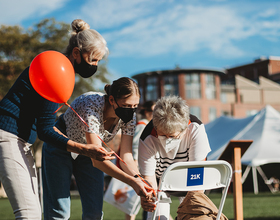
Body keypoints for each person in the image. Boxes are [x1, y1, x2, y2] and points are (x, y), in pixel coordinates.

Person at [0, 19, 115, 220]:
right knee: (29, 214)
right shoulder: (56, 69)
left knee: (34, 213)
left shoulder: (63, 68)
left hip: (21, 140)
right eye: (93, 59)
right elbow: (45, 130)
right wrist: (84, 149)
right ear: (77, 53)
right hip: (8, 135)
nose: (95, 65)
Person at [42, 77, 154, 220]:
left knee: (95, 213)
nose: (131, 111)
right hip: (62, 146)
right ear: (112, 100)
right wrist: (132, 182)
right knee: (59, 211)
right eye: (126, 106)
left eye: (135, 106)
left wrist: (139, 179)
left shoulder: (129, 117)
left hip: (91, 153)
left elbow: (126, 156)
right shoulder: (91, 104)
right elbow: (97, 161)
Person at [138, 96, 211, 220]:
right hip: (160, 182)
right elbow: (149, 178)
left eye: (172, 136)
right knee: (158, 217)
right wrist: (150, 198)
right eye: (162, 135)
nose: (167, 140)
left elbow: (196, 177)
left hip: (190, 180)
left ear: (184, 130)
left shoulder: (195, 128)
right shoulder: (147, 137)